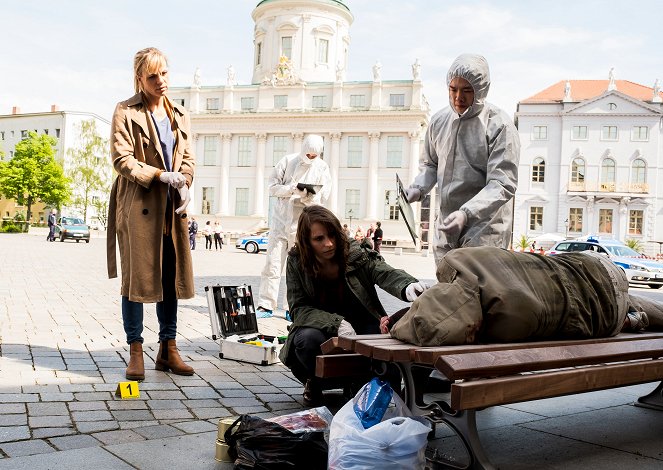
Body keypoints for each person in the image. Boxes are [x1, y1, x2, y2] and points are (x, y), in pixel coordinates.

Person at [280, 205, 429, 404]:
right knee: (307, 339)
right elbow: (298, 309)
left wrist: (407, 285)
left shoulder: (355, 251)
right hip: (320, 327)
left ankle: (358, 384)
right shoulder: (296, 261)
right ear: (307, 241)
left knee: (384, 345)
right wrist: (337, 323)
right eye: (319, 239)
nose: (329, 244)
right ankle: (314, 381)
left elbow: (382, 271)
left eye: (332, 235)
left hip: (362, 323)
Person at [107, 47, 195, 382]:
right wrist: (160, 175)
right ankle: (135, 350)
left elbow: (188, 157)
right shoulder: (125, 111)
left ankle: (168, 348)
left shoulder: (181, 115)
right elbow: (121, 159)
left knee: (170, 278)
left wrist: (185, 181)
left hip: (172, 209)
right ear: (140, 79)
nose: (161, 82)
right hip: (139, 206)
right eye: (153, 76)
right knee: (136, 281)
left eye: (165, 74)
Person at [384, 246, 661, 346]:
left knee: (633, 312)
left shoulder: (501, 328)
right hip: (590, 266)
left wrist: (399, 323)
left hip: (606, 315)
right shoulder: (456, 260)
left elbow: (444, 317)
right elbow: (453, 295)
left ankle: (635, 320)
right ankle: (635, 317)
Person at [405, 54, 520, 266]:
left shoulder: (499, 126)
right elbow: (431, 164)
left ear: (481, 90)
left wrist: (467, 214)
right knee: (448, 288)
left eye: (467, 90)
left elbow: (502, 183)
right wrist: (419, 188)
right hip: (447, 225)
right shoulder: (439, 122)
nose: (458, 97)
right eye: (453, 89)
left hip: (485, 229)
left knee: (478, 292)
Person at [256, 134, 332, 317]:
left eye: (315, 155)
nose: (312, 158)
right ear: (304, 149)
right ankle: (266, 304)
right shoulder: (287, 161)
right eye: (309, 154)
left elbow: (324, 196)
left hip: (302, 227)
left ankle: (294, 307)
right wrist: (291, 189)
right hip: (281, 223)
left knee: (298, 268)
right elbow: (272, 187)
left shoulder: (322, 167)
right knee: (272, 265)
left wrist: (308, 196)